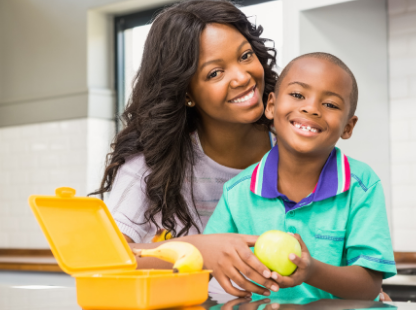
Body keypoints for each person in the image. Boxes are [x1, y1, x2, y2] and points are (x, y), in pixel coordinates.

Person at [92, 0, 280, 297]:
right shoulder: (154, 161)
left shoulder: (291, 141)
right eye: (215, 73)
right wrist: (196, 250)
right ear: (186, 93)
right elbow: (104, 255)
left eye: (245, 56)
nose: (243, 77)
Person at [204, 52, 397, 300]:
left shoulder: (362, 185)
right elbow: (205, 262)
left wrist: (312, 271)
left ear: (348, 127)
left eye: (330, 104)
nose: (311, 108)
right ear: (271, 105)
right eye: (297, 95)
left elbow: (369, 285)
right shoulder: (237, 192)